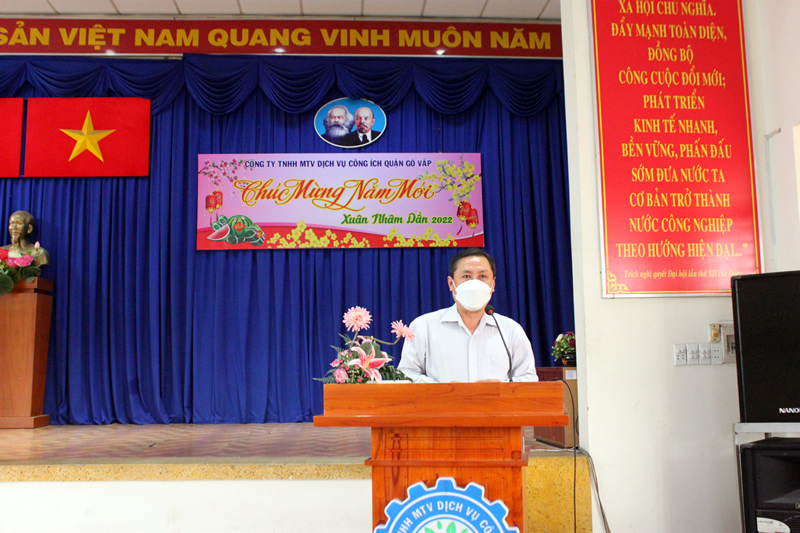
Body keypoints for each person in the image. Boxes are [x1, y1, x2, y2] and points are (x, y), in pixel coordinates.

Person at [398, 248, 538, 383]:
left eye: (482, 276)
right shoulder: (424, 326)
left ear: (493, 284)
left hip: (497, 400)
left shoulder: (510, 330)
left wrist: (501, 389)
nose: (475, 283)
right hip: (442, 400)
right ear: (451, 283)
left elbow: (528, 378)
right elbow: (406, 375)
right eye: (466, 276)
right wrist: (443, 390)